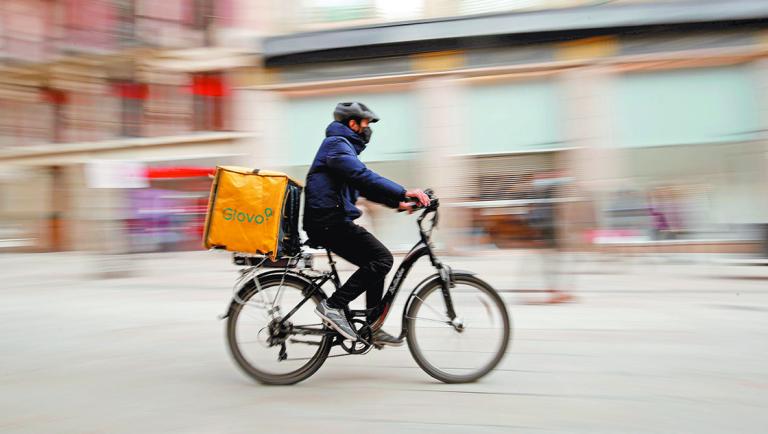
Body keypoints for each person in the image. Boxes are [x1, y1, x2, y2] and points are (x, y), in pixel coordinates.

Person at [303, 102, 430, 346]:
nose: (368, 129)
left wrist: (398, 202)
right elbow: (362, 176)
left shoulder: (343, 148)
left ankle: (372, 325)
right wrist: (404, 192)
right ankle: (333, 306)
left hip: (330, 219)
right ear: (353, 123)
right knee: (382, 260)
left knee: (376, 262)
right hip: (328, 221)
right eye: (366, 123)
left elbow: (361, 185)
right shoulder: (336, 146)